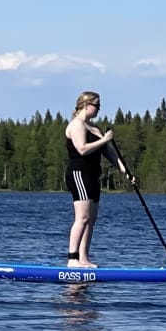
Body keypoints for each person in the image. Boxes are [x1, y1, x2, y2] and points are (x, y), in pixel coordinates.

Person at [64, 89, 135, 267]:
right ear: (86, 105)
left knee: (91, 219)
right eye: (97, 106)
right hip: (79, 174)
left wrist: (126, 172)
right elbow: (82, 149)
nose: (99, 109)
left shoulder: (95, 128)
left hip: (93, 175)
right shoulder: (76, 125)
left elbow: (110, 154)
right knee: (83, 217)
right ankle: (72, 260)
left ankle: (84, 259)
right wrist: (104, 140)